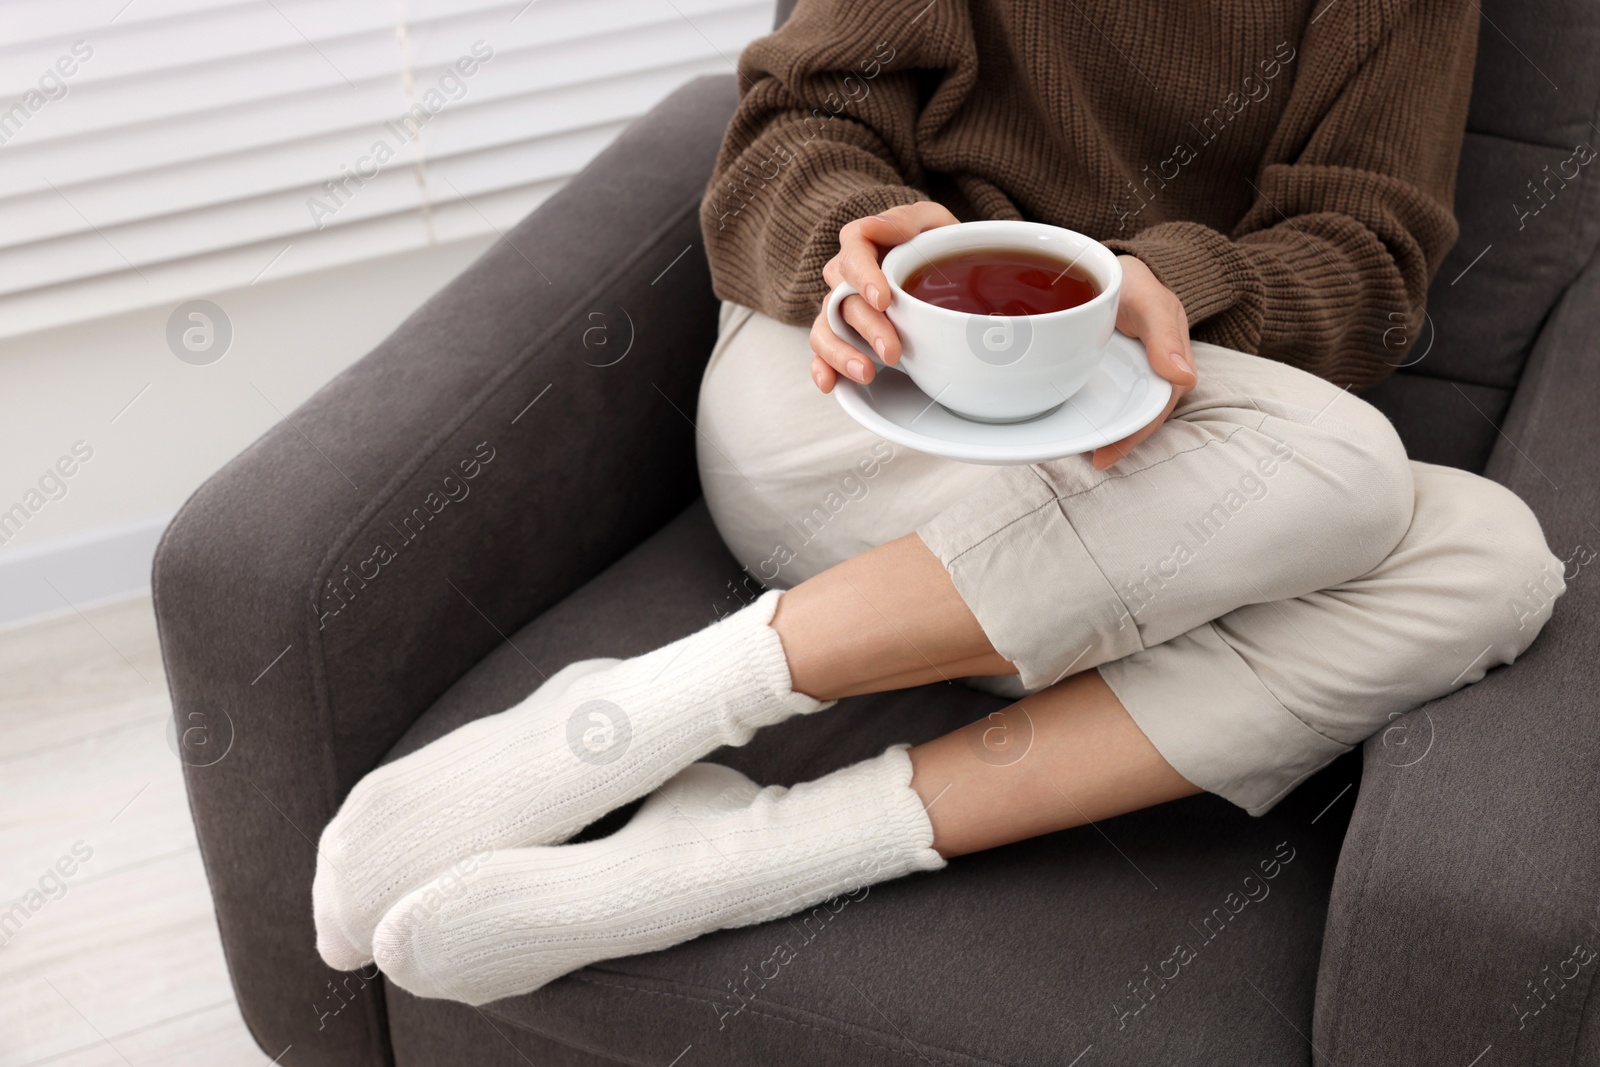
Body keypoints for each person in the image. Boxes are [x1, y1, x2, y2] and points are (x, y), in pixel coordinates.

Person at [312, 0, 1564, 1006]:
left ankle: (756, 853)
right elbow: (790, 128)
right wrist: (852, 236)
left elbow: (1368, 256)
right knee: (1347, 479)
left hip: (1159, 432)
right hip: (856, 398)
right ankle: (653, 709)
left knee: (1492, 559)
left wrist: (1157, 289)